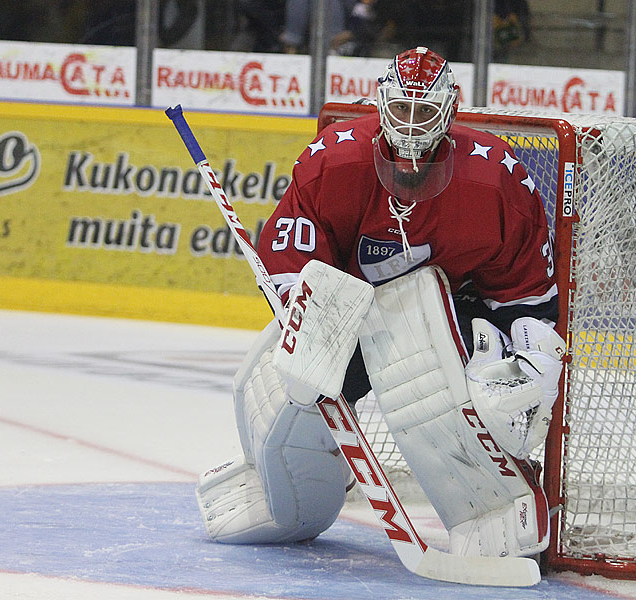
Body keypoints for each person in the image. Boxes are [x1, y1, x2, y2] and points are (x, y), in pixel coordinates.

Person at [195, 47, 564, 561]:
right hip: (351, 315)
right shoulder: (335, 159)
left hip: (454, 321)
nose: (411, 125)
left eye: (425, 111)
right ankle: (291, 483)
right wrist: (303, 323)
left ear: (450, 110)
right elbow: (289, 259)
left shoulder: (495, 178)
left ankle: (496, 504)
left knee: (466, 382)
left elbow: (527, 300)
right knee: (288, 389)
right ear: (381, 103)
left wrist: (530, 368)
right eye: (402, 109)